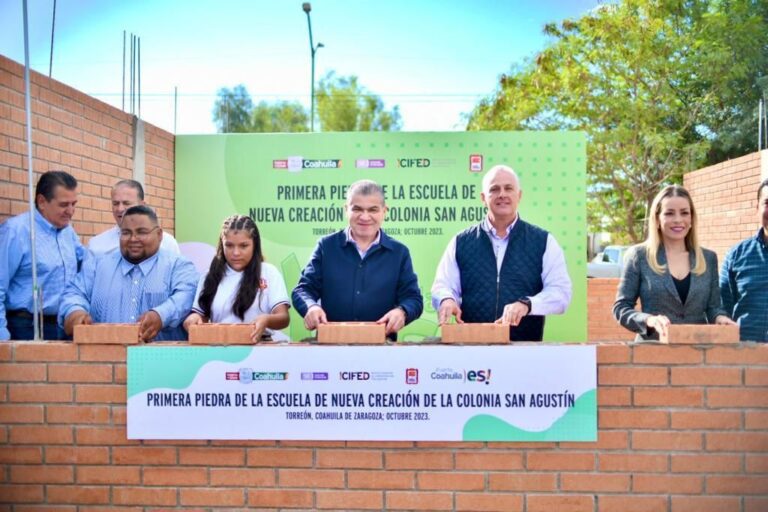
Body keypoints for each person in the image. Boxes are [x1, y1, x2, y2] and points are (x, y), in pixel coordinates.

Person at [431, 165, 572, 341]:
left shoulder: (544, 241)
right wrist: (446, 299)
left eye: (509, 188)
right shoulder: (460, 242)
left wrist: (527, 304)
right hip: (472, 349)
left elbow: (561, 293)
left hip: (524, 350)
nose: (502, 194)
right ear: (483, 198)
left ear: (519, 195)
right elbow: (441, 285)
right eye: (494, 189)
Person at [292, 179, 423, 339]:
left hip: (382, 348)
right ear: (346, 209)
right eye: (357, 209)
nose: (365, 217)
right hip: (331, 346)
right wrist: (311, 307)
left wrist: (402, 311)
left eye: (373, 210)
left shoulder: (399, 252)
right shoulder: (326, 246)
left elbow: (413, 298)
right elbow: (303, 290)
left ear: (384, 211)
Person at [613, 185, 735, 341]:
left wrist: (720, 318)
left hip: (697, 352)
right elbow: (621, 308)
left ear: (691, 218)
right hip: (651, 354)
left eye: (684, 213)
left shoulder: (708, 258)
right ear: (657, 219)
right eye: (669, 213)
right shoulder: (639, 256)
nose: (678, 219)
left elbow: (713, 308)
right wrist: (649, 320)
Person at [59, 205, 198, 342]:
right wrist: (74, 311)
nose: (133, 239)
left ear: (159, 235)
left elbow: (185, 296)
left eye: (142, 232)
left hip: (161, 361)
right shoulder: (98, 265)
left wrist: (161, 315)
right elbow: (75, 292)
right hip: (105, 359)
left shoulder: (179, 266)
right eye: (126, 232)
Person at [0, 171, 85, 340]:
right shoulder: (16, 231)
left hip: (63, 326)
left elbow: (84, 265)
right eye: (63, 205)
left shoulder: (68, 231)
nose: (71, 211)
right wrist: (2, 337)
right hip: (25, 328)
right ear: (42, 202)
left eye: (74, 204)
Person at [183, 215, 290, 342]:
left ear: (254, 245)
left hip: (259, 346)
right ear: (222, 245)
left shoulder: (268, 272)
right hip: (218, 347)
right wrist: (193, 319)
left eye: (243, 246)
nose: (236, 253)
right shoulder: (209, 276)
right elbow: (201, 316)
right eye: (229, 245)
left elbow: (283, 318)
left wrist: (266, 319)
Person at [720, 178, 768, 342]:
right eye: (767, 203)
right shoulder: (736, 256)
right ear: (757, 208)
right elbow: (722, 310)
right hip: (745, 357)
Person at [88, 179, 180, 256]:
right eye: (115, 203)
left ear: (142, 205)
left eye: (126, 203)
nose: (120, 209)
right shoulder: (96, 245)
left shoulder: (167, 244)